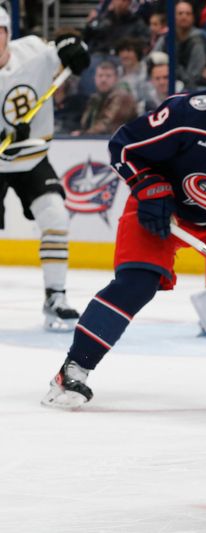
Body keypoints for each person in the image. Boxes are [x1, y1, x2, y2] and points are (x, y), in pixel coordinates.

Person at [41, 48, 206, 409]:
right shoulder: (186, 114)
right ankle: (73, 370)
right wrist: (149, 187)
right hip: (163, 210)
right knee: (136, 283)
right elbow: (123, 147)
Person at [0, 12, 90, 331]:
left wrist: (74, 50)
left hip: (32, 158)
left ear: (8, 33)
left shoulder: (34, 51)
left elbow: (69, 47)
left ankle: (56, 296)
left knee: (55, 216)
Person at [76, 60, 138, 134]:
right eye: (100, 75)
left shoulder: (123, 96)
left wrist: (84, 134)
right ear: (94, 78)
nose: (103, 80)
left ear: (116, 79)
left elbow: (108, 125)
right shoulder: (95, 98)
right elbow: (85, 124)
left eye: (108, 76)